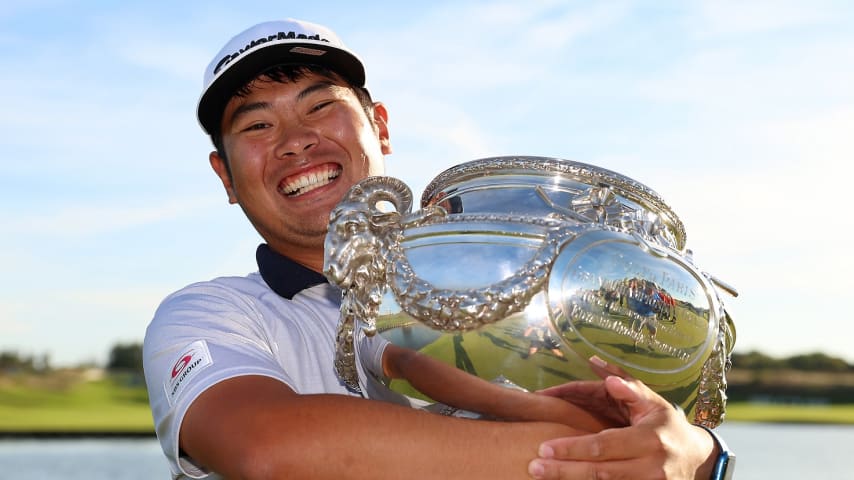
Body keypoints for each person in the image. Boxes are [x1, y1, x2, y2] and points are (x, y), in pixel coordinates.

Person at [143, 17, 727, 480]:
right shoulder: (208, 315)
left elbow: (645, 418)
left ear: (381, 127)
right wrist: (613, 460)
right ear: (224, 176)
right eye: (257, 127)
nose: (296, 141)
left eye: (321, 106)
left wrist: (699, 455)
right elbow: (270, 451)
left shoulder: (530, 278)